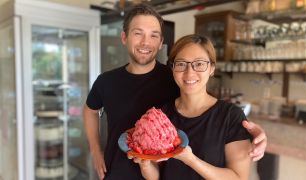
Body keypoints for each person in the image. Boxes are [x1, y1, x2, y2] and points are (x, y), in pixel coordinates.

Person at [83, 3, 267, 180]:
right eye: (138, 33)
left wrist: (255, 133)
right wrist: (95, 150)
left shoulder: (176, 79)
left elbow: (213, 115)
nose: (146, 42)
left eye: (154, 35)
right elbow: (90, 110)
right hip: (118, 172)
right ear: (124, 37)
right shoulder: (107, 81)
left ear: (161, 41)